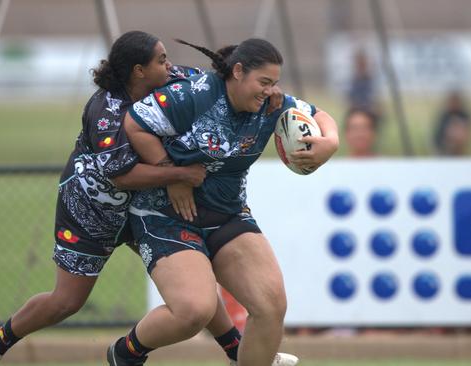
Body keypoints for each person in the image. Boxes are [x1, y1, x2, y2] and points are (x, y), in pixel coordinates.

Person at [0, 31, 296, 366]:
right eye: (161, 60)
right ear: (139, 71)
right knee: (66, 301)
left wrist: (268, 90)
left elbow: (222, 85)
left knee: (193, 283)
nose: (170, 66)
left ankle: (241, 354)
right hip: (93, 208)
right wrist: (179, 175)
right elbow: (120, 175)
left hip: (146, 206)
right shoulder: (106, 110)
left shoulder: (177, 79)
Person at [107, 38, 338, 366]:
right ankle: (125, 353)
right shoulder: (194, 95)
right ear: (238, 72)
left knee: (271, 306)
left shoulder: (272, 104)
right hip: (166, 215)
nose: (268, 91)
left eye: (274, 83)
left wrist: (330, 143)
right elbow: (134, 124)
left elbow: (320, 115)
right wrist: (171, 173)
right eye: (263, 82)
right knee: (194, 311)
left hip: (227, 214)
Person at [433, 91, 471, 156]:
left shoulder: (464, 115)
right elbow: (440, 134)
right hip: (444, 145)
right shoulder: (445, 115)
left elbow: (468, 129)